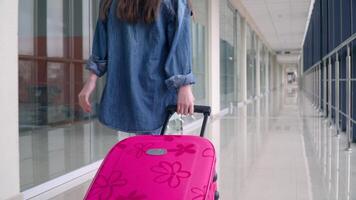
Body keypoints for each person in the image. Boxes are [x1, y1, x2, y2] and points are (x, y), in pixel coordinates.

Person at [78, 0, 195, 135]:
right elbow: (179, 42)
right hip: (156, 94)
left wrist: (92, 78)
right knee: (156, 150)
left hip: (131, 91)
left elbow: (101, 39)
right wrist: (185, 86)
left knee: (145, 148)